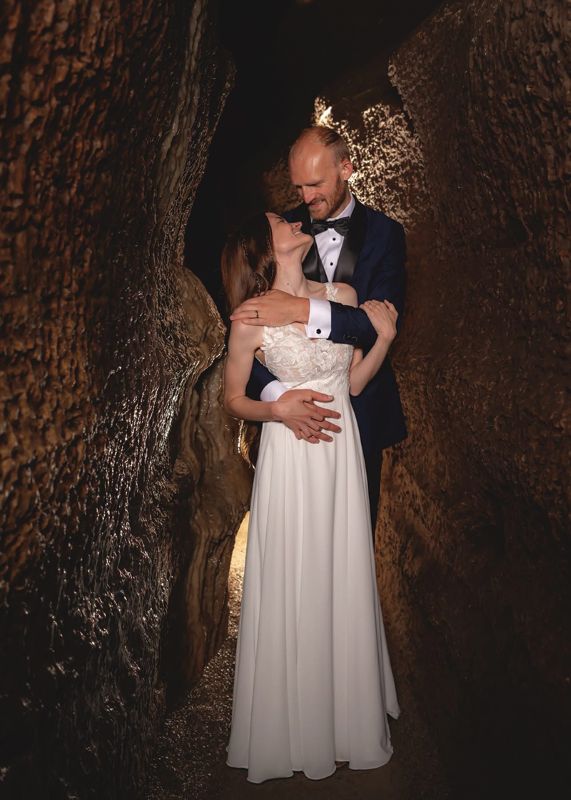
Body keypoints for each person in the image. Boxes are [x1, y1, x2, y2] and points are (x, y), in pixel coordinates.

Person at [222, 210, 400, 784]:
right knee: (295, 574)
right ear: (264, 248)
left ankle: (347, 716)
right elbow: (232, 398)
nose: (292, 217)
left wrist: (386, 339)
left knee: (340, 570)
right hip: (290, 458)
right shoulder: (249, 319)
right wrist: (277, 408)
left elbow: (352, 383)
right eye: (278, 220)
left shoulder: (341, 292)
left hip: (340, 452)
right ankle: (290, 724)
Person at [230, 126, 407, 530]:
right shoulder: (278, 233)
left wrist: (298, 309)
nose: (306, 199)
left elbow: (373, 325)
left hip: (360, 418)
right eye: (299, 187)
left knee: (352, 547)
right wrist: (279, 399)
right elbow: (247, 333)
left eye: (315, 184)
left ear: (346, 168)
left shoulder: (386, 235)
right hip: (288, 430)